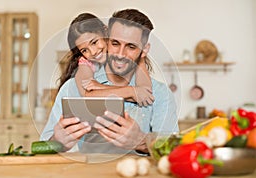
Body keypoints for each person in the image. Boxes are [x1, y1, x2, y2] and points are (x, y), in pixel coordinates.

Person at [40, 9, 179, 154]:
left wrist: (141, 142)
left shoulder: (160, 94)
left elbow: (174, 153)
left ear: (144, 50)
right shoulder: (73, 87)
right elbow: (43, 150)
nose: (120, 54)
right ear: (107, 38)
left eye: (131, 47)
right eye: (115, 43)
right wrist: (57, 141)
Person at [58, 13, 154, 107]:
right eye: (84, 50)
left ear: (105, 32)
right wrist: (131, 92)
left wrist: (101, 87)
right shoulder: (85, 63)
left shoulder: (131, 56)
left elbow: (145, 90)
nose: (93, 52)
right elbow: (88, 95)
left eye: (94, 42)